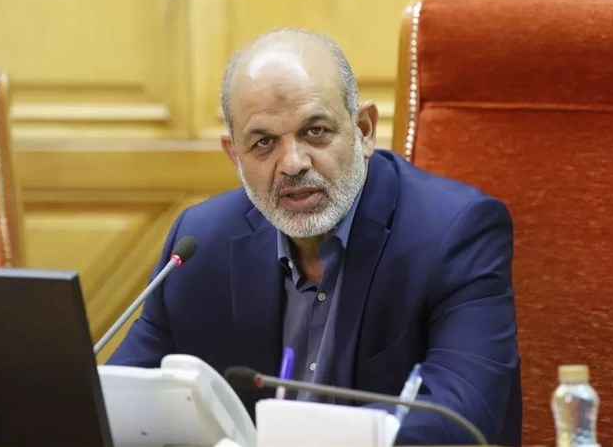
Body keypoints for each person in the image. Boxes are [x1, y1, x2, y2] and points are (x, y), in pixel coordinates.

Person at [108, 28, 521, 445]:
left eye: (315, 131)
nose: (292, 163)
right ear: (235, 155)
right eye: (264, 142)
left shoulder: (454, 232)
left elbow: (463, 421)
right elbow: (117, 404)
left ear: (364, 130)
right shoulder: (200, 243)